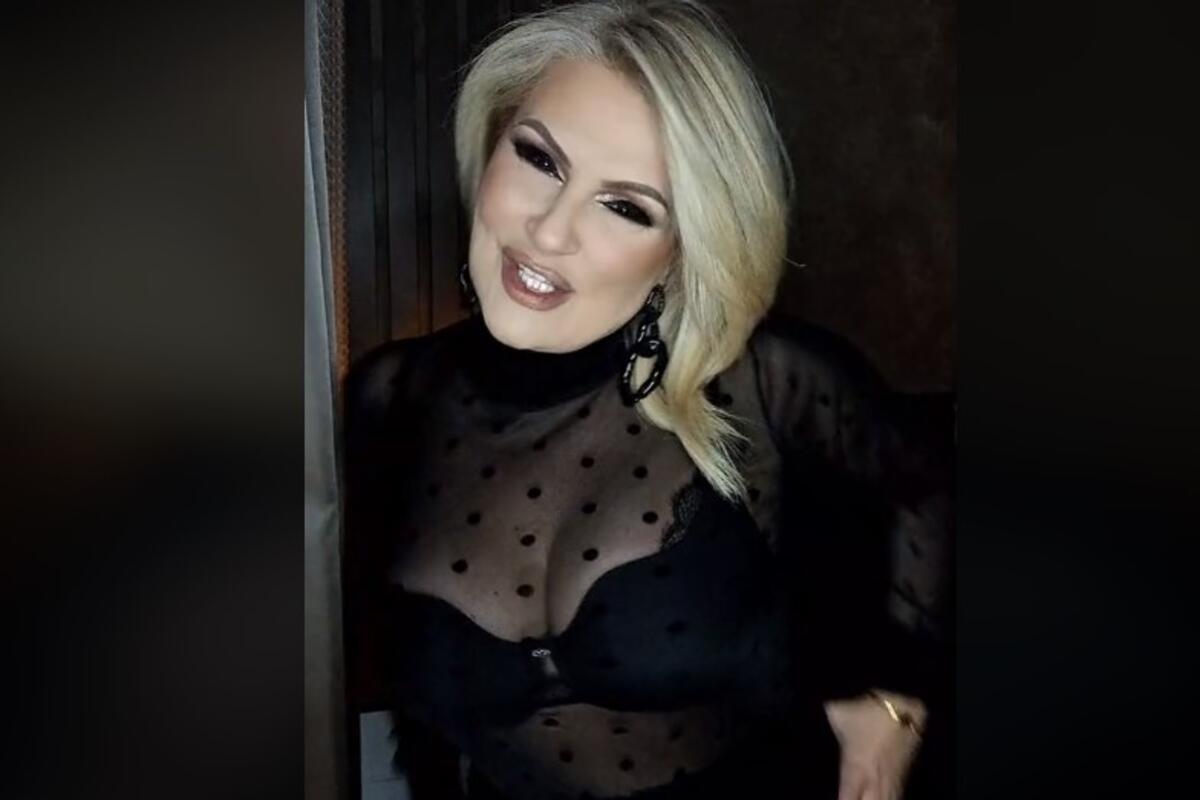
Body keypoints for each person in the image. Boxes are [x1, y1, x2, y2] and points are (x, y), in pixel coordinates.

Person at [343, 2, 950, 798]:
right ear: (488, 144)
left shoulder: (765, 381)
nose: (550, 232)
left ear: (682, 248)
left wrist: (893, 698)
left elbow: (923, 486)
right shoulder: (388, 398)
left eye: (626, 206)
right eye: (540, 158)